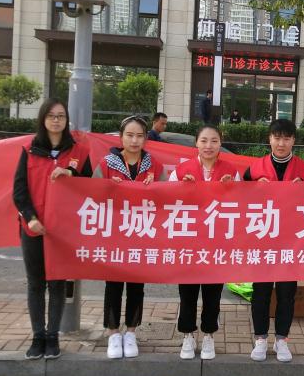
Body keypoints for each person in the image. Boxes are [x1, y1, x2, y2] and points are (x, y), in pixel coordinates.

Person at [13, 98, 92, 360]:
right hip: (34, 229)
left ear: (66, 120)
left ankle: (52, 336)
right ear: (43, 119)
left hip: (63, 231)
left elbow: (90, 188)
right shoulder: (29, 150)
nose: (56, 120)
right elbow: (19, 191)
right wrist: (30, 218)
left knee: (57, 283)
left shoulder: (79, 152)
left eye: (61, 116)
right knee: (36, 284)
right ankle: (38, 337)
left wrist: (72, 175)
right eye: (51, 116)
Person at [243, 119, 304, 362]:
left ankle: (282, 340)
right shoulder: (254, 169)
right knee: (261, 292)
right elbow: (237, 200)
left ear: (294, 140)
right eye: (277, 138)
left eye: (286, 138)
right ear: (269, 139)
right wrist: (253, 188)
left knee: (287, 293)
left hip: (290, 243)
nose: (281, 143)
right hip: (262, 241)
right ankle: (260, 339)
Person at [169, 125, 240, 360]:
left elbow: (241, 204)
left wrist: (232, 189)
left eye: (214, 141)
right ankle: (187, 335)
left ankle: (209, 334)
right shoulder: (181, 170)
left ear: (221, 143)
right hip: (189, 242)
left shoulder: (231, 171)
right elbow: (167, 200)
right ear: (196, 143)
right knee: (187, 292)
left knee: (213, 293)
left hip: (217, 244)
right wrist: (181, 188)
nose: (209, 146)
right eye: (204, 141)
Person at [93, 115, 155, 359]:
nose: (134, 140)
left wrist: (156, 186)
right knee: (113, 285)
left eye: (139, 136)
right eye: (129, 135)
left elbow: (169, 199)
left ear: (146, 138)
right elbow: (90, 195)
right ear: (120, 138)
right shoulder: (106, 164)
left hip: (140, 235)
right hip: (114, 236)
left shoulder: (153, 165)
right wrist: (107, 187)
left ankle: (131, 332)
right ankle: (112, 333)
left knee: (137, 286)